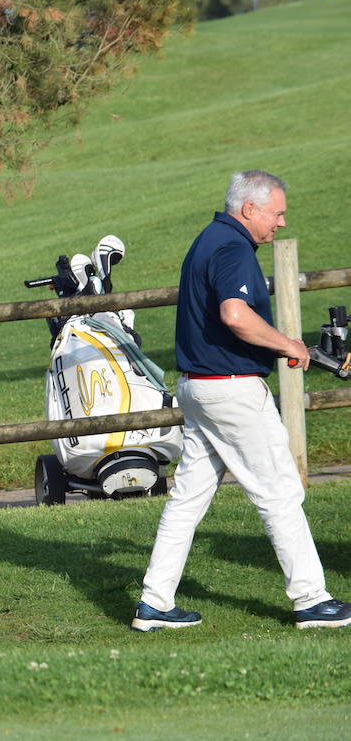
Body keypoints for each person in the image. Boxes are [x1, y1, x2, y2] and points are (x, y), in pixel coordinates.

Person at [133, 170, 351, 631]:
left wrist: (277, 344)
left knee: (188, 498)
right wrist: (290, 345)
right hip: (230, 390)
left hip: (197, 386)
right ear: (249, 209)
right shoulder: (232, 247)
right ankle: (311, 601)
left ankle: (154, 602)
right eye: (277, 213)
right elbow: (235, 315)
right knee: (279, 490)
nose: (282, 223)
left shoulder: (208, 239)